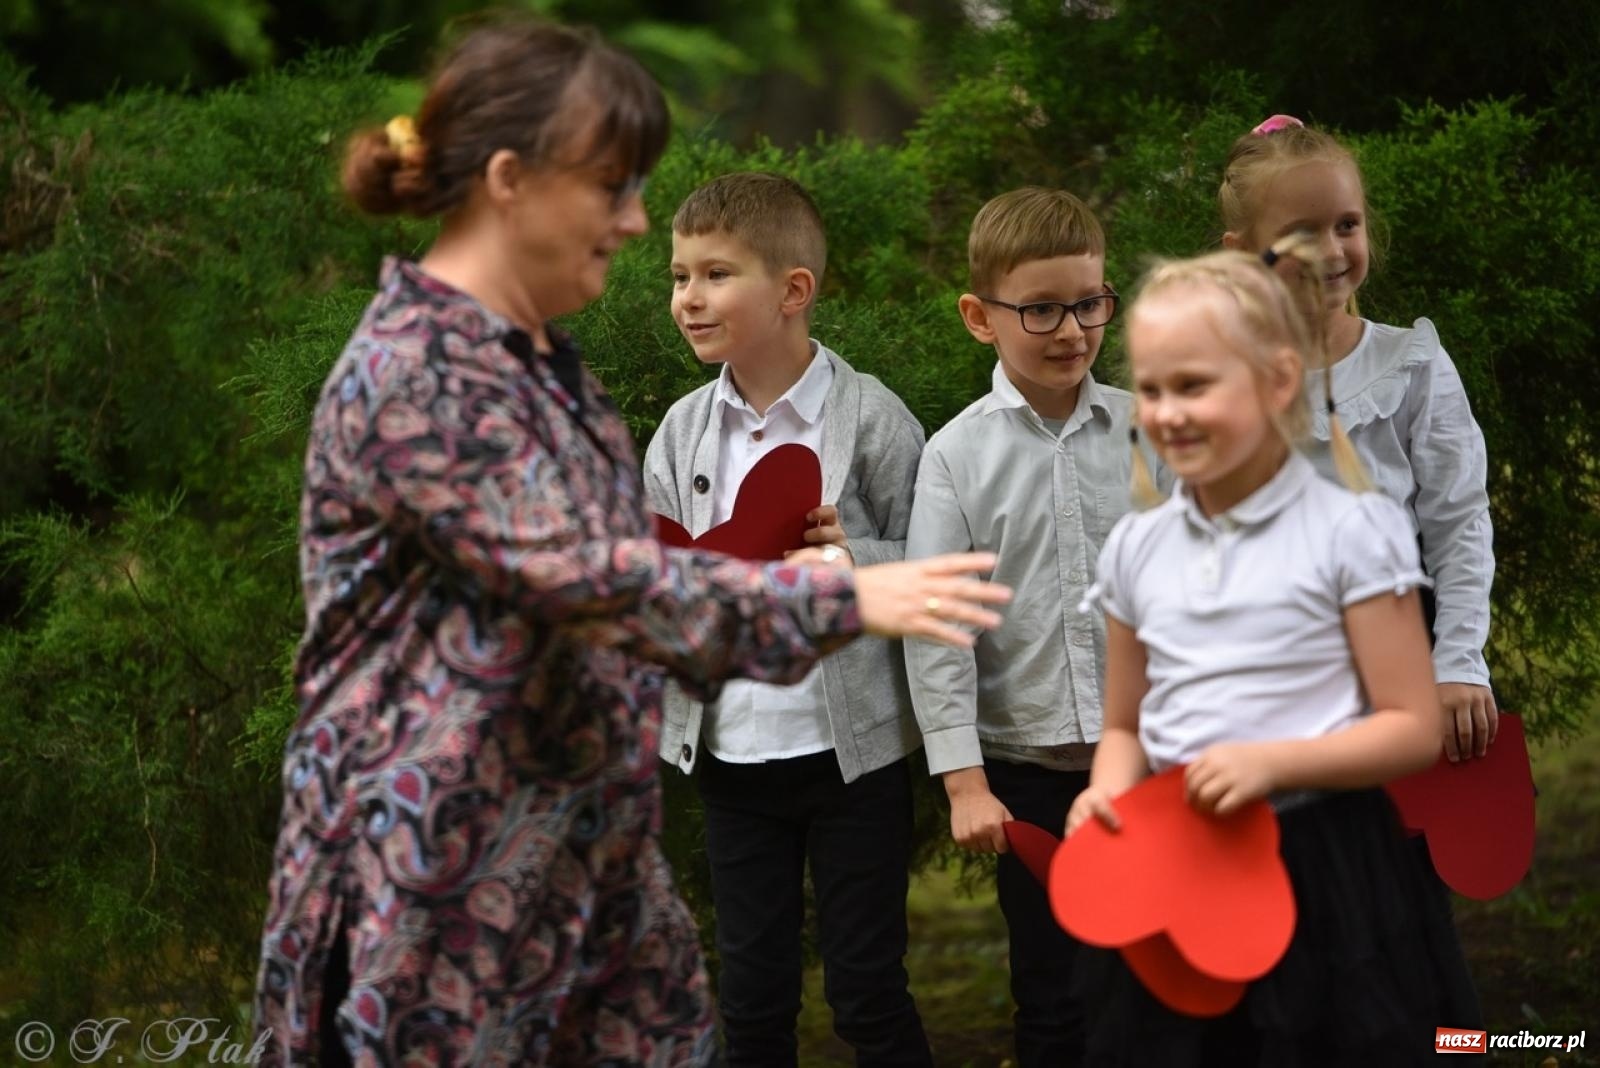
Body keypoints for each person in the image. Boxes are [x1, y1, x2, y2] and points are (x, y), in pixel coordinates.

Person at [251, 20, 1010, 1067]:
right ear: (512, 180)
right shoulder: (421, 372)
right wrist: (848, 598)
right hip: (435, 907)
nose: (635, 221)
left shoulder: (540, 367)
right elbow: (592, 585)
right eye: (614, 188)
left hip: (569, 895)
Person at [1066, 241, 1481, 1064]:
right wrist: (1107, 797)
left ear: (1278, 381)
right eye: (1150, 388)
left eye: (1194, 385)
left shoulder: (1349, 529)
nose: (1168, 411)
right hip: (1179, 865)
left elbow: (1410, 726)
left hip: (1324, 866)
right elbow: (1124, 726)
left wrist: (1273, 763)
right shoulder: (1136, 550)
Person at [642, 171, 934, 1068]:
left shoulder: (875, 421)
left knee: (866, 991)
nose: (689, 298)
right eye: (679, 276)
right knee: (753, 999)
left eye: (715, 275)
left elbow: (929, 574)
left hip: (854, 762)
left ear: (793, 290)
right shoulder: (682, 432)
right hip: (732, 760)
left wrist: (856, 561)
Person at [904, 187, 1146, 1068]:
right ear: (980, 317)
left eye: (1089, 303)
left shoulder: (1148, 429)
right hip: (1032, 778)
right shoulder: (956, 456)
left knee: (1166, 981)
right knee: (1054, 998)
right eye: (1040, 308)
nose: (1072, 329)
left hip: (1154, 764)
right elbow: (939, 627)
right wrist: (966, 784)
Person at [1218, 113, 1497, 764]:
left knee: (1412, 856)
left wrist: (1458, 661)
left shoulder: (1411, 363)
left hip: (1412, 667)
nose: (1334, 251)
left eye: (1347, 225)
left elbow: (1458, 521)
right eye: (1301, 234)